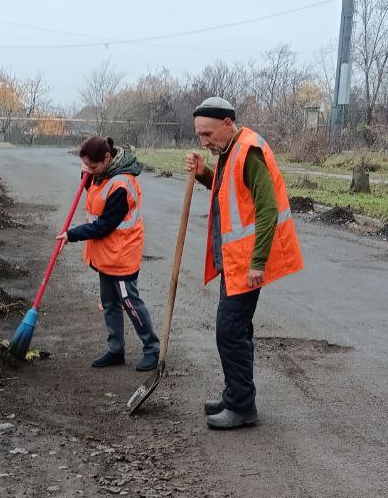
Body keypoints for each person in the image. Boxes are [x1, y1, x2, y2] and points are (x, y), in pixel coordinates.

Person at [185, 97, 303, 429]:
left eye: (208, 134)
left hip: (247, 264)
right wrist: (203, 174)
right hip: (235, 262)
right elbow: (228, 193)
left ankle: (241, 406)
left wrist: (258, 262)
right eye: (200, 137)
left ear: (227, 123)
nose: (205, 142)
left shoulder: (248, 151)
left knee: (230, 332)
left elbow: (267, 208)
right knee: (235, 332)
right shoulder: (229, 151)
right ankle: (235, 394)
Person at [56, 136, 160, 371]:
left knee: (130, 301)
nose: (89, 171)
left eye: (92, 167)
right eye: (86, 167)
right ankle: (115, 349)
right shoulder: (101, 174)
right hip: (105, 254)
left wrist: (72, 235)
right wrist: (86, 174)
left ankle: (151, 348)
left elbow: (104, 224)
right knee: (109, 303)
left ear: (106, 158)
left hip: (122, 253)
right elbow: (92, 193)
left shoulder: (122, 184)